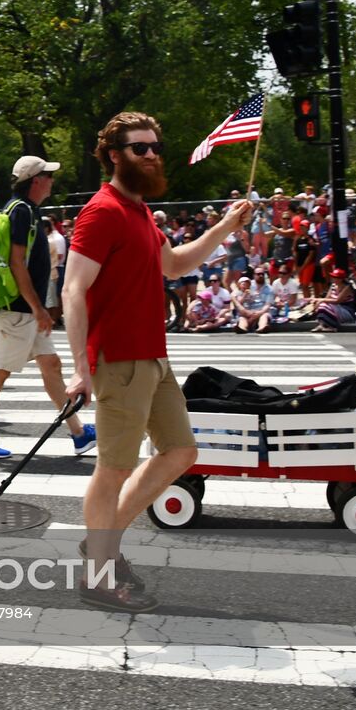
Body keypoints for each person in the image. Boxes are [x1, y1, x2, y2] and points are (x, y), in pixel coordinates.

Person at [63, 112, 251, 613]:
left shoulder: (139, 211)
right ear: (113, 155)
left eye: (155, 146)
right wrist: (80, 367)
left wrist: (226, 226)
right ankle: (98, 578)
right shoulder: (102, 211)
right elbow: (73, 290)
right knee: (113, 470)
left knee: (179, 453)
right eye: (140, 148)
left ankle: (100, 546)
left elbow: (175, 265)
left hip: (153, 355)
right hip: (119, 359)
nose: (152, 155)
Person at [0, 156, 95, 459]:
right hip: (19, 310)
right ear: (36, 180)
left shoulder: (27, 210)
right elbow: (16, 263)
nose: (52, 180)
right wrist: (38, 308)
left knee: (51, 365)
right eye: (48, 175)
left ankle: (78, 433)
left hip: (25, 309)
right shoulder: (21, 211)